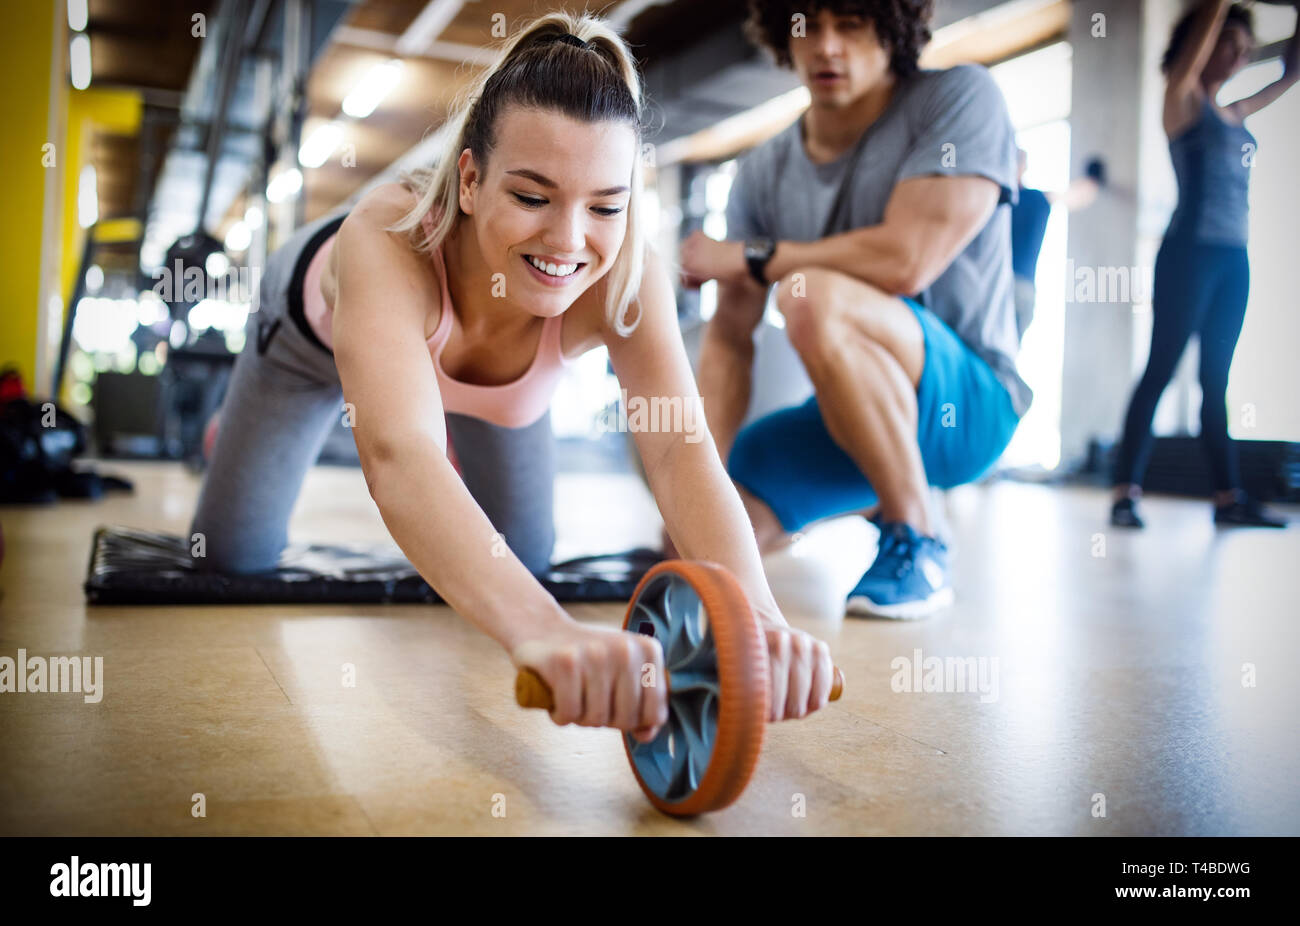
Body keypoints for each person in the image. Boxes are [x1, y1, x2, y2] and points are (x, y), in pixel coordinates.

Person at [190, 12, 837, 738]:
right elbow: (400, 457)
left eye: (604, 206)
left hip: (494, 394)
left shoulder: (626, 277)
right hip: (308, 348)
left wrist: (758, 614)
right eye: (531, 197)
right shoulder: (387, 237)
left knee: (523, 558)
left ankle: (448, 426)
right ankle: (244, 427)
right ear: (470, 180)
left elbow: (678, 449)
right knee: (229, 562)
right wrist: (545, 631)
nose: (566, 241)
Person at [680, 0, 1028, 619]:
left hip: (967, 407)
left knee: (810, 294)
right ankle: (869, 493)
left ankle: (917, 535)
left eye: (850, 24)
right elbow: (729, 341)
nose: (826, 47)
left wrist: (754, 256)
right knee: (728, 519)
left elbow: (905, 260)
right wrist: (698, 505)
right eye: (807, 25)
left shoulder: (960, 98)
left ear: (891, 28)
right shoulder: (763, 170)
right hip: (850, 419)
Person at [1111, 0, 1297, 529]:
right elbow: (1188, 61)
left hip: (1233, 260)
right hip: (1187, 255)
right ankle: (1126, 493)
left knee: (1217, 380)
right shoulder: (1182, 97)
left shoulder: (1235, 114)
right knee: (1161, 372)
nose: (1237, 54)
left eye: (1243, 49)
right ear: (1205, 41)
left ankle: (1227, 499)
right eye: (1227, 42)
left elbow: (1292, 73)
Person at [1010, 149, 1104, 338]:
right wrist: (1094, 179)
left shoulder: (1000, 201)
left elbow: (1076, 196)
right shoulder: (1035, 199)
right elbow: (1077, 196)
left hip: (1007, 288)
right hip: (1016, 289)